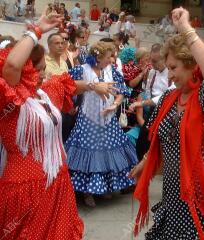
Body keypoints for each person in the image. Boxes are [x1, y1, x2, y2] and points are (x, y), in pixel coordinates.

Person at [130, 7, 204, 240]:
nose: (170, 75)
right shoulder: (168, 98)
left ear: (191, 63)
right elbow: (162, 139)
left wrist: (185, 27)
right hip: (176, 190)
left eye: (174, 68)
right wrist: (146, 162)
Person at [0, 12, 116, 240]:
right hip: (26, 188)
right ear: (25, 71)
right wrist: (37, 31)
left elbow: (69, 85)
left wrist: (94, 86)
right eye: (38, 69)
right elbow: (12, 64)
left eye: (44, 68)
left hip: (57, 182)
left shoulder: (44, 93)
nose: (44, 74)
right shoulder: (10, 100)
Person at [65, 41, 137, 207]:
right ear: (97, 57)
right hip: (88, 119)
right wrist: (70, 105)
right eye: (108, 57)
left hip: (108, 121)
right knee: (89, 153)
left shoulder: (111, 70)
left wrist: (114, 105)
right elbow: (67, 86)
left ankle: (104, 188)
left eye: (112, 56)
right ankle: (87, 192)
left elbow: (122, 91)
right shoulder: (82, 70)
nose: (111, 60)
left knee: (107, 152)